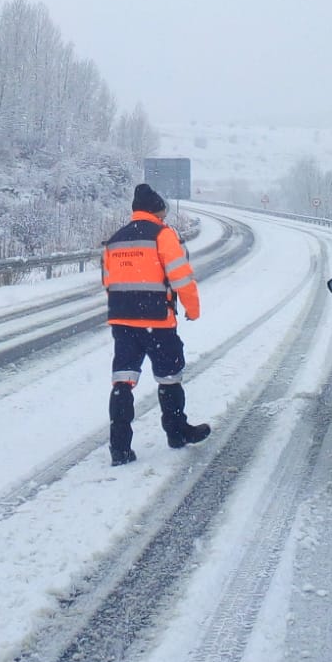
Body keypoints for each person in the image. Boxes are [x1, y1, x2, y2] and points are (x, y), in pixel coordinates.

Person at [101, 183, 210, 466]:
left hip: (122, 321)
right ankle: (177, 433)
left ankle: (120, 448)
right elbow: (181, 276)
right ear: (156, 211)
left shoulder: (115, 240)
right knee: (169, 377)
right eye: (162, 213)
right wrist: (192, 309)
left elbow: (107, 281)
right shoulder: (163, 235)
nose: (164, 218)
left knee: (122, 380)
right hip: (157, 320)